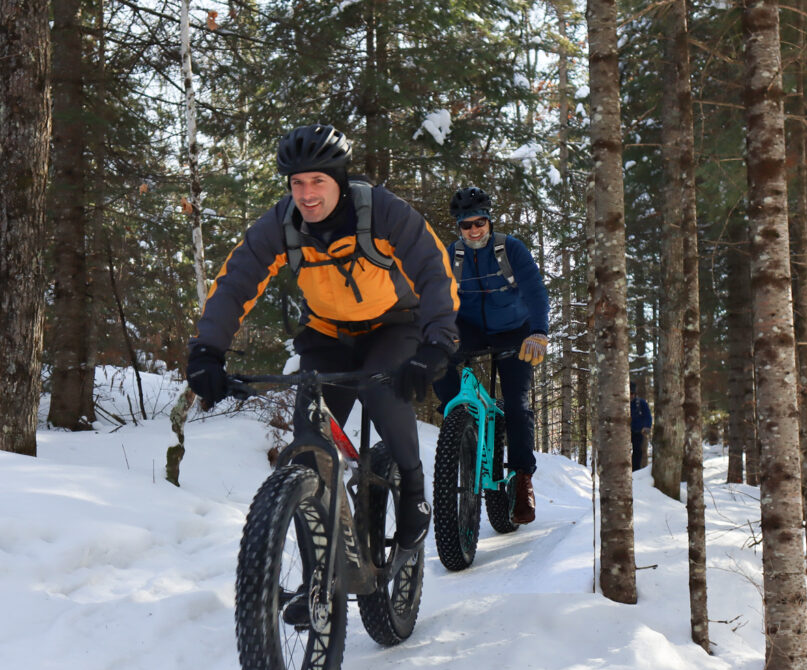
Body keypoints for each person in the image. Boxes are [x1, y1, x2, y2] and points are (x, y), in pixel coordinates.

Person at [186, 124, 459, 561]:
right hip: (328, 331)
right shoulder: (283, 223)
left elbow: (432, 270)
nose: (307, 194)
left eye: (318, 182)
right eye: (297, 183)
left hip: (394, 324)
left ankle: (413, 485)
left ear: (340, 179)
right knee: (309, 444)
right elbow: (236, 282)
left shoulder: (383, 212)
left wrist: (436, 344)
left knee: (380, 387)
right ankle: (322, 569)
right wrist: (206, 350)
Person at [432, 186, 549, 524]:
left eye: (479, 222)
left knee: (516, 402)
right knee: (438, 357)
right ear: (458, 227)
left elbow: (536, 292)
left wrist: (539, 332)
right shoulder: (450, 256)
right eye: (466, 225)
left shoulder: (510, 249)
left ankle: (523, 479)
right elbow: (438, 300)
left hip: (514, 328)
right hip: (469, 327)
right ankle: (461, 421)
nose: (474, 230)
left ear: (489, 221)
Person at [630, 381, 652, 471]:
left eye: (632, 393)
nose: (631, 396)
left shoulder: (641, 403)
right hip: (624, 432)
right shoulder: (621, 404)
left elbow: (648, 416)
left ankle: (635, 471)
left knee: (637, 452)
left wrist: (647, 426)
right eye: (629, 393)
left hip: (637, 432)